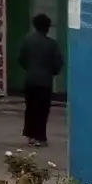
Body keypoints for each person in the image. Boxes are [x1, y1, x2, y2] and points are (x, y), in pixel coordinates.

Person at [18, 13, 63, 147]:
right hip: (45, 82)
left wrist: (30, 69)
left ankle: (30, 135)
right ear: (47, 27)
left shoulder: (27, 41)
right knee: (42, 110)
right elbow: (58, 63)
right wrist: (52, 72)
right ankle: (40, 136)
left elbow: (21, 59)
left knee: (30, 108)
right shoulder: (52, 44)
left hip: (30, 80)